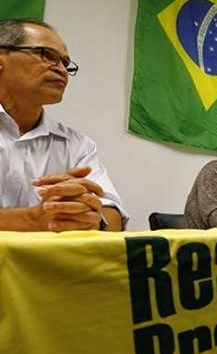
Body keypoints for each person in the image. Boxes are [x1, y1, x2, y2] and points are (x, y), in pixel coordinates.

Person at [0, 19, 126, 231]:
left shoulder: (77, 146)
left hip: (47, 264)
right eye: (47, 55)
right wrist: (31, 220)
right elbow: (41, 221)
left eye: (65, 63)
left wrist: (89, 217)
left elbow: (113, 218)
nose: (62, 70)